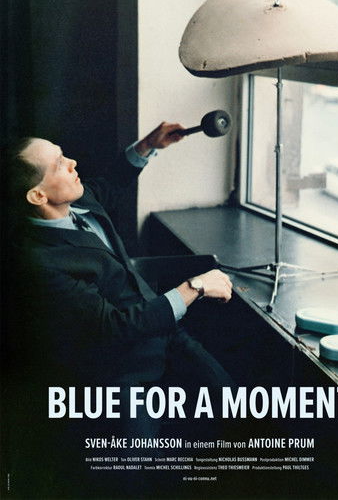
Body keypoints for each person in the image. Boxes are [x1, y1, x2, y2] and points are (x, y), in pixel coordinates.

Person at [4, 122, 234, 497]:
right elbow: (114, 326)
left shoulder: (78, 202)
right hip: (122, 369)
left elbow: (109, 185)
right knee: (135, 475)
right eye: (60, 164)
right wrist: (194, 287)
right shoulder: (37, 262)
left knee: (234, 406)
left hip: (165, 333)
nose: (73, 163)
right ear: (37, 195)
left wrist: (148, 145)